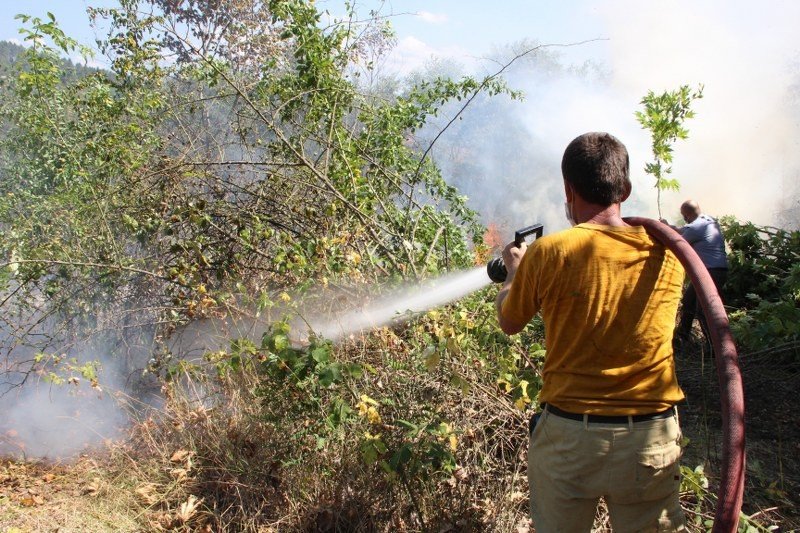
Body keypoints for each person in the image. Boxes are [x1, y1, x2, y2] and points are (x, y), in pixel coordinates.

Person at [495, 132, 687, 532]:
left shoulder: (550, 252)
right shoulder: (669, 251)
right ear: (627, 189)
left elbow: (510, 322)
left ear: (568, 189)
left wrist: (515, 272)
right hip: (650, 437)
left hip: (570, 438)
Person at [663, 200, 728, 342]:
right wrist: (668, 226)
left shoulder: (694, 228)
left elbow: (676, 242)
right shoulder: (708, 220)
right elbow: (684, 230)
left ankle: (714, 346)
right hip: (715, 271)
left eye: (684, 215)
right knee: (688, 301)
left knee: (703, 311)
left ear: (687, 215)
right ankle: (682, 336)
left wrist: (663, 231)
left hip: (710, 272)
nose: (684, 219)